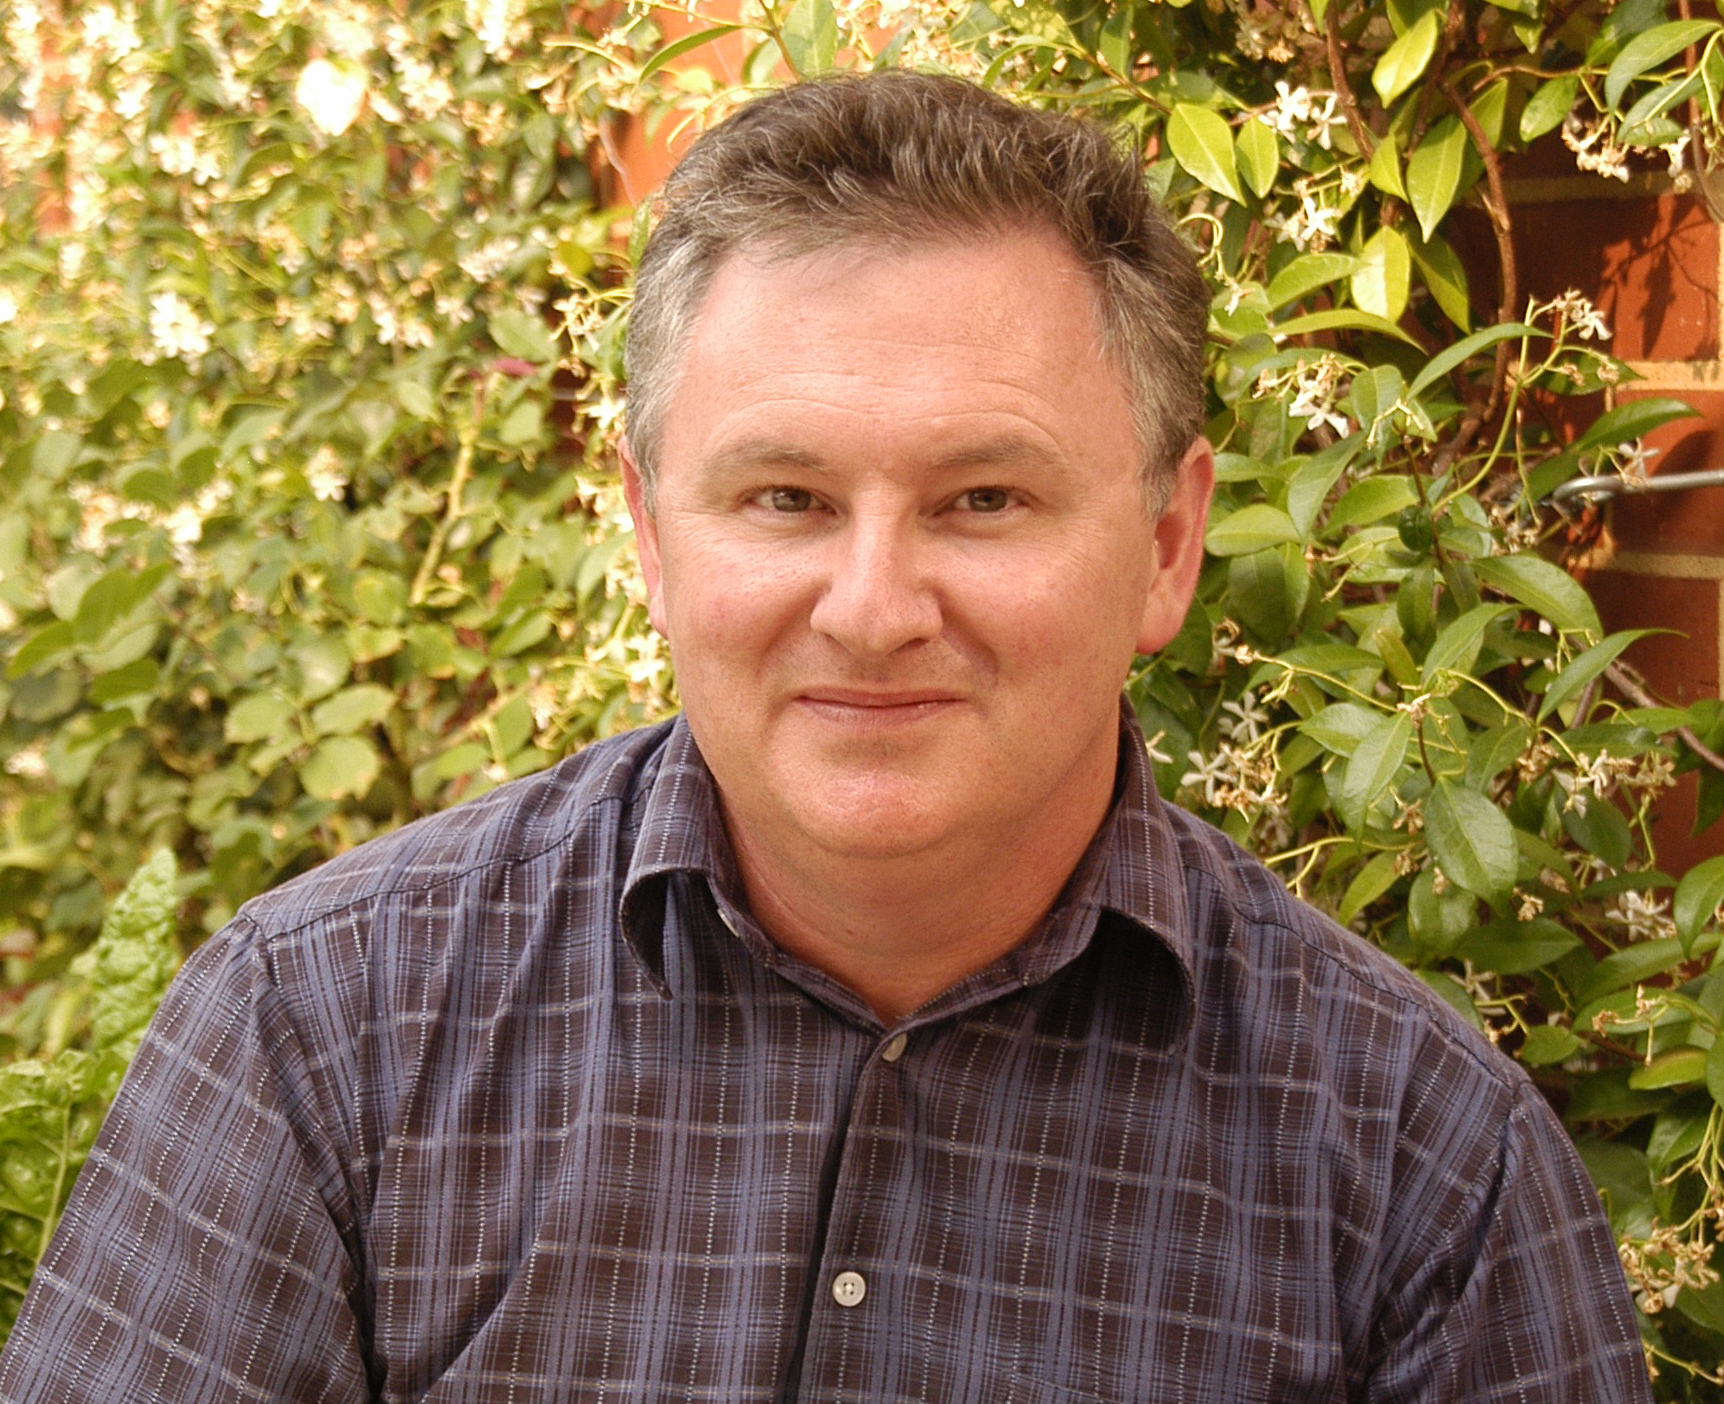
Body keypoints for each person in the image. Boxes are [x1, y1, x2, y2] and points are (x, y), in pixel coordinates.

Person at [0, 72, 1650, 1403]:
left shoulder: (1433, 1180)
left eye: (982, 499)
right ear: (652, 537)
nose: (871, 608)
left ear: (1166, 545)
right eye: (785, 497)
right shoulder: (324, 1035)